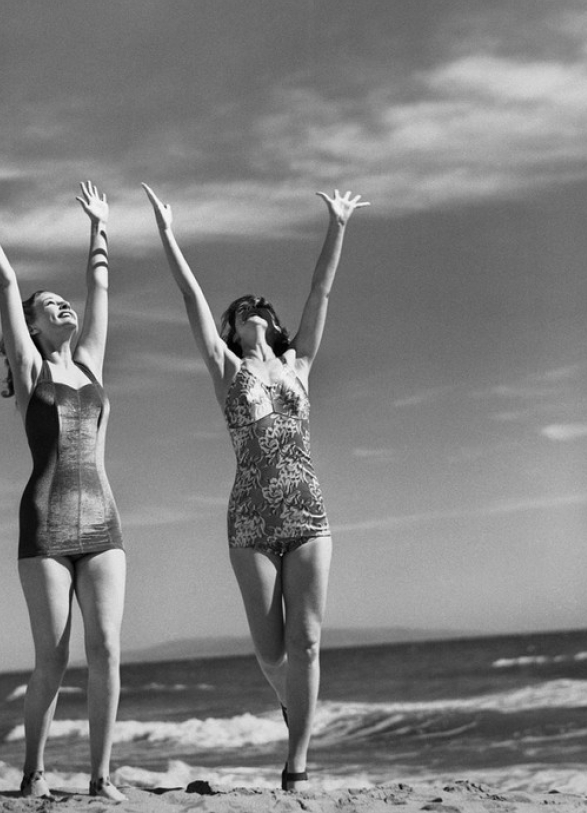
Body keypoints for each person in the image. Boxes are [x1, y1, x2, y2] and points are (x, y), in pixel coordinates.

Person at [142, 182, 369, 792]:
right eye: (241, 307)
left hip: (307, 511)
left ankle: (296, 765)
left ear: (272, 320)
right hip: (249, 518)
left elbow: (321, 290)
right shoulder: (227, 370)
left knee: (309, 642)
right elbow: (190, 296)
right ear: (232, 326)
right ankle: (292, 702)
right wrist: (167, 232)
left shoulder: (298, 365)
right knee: (273, 654)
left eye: (261, 305)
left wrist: (338, 225)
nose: (253, 308)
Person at [0, 168, 126, 802]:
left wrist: (99, 228)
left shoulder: (90, 360)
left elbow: (98, 285)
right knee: (55, 660)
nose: (63, 306)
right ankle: (34, 771)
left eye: (64, 302)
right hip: (45, 524)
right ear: (30, 329)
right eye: (49, 305)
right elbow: (6, 282)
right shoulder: (32, 367)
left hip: (104, 521)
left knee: (110, 649)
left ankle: (101, 777)